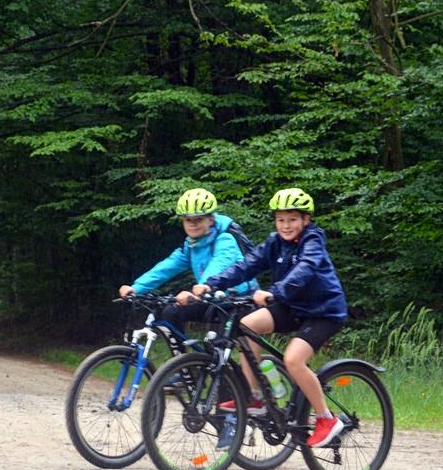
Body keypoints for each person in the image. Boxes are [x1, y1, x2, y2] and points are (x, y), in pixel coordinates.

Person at [196, 187, 348, 448]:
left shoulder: (313, 241)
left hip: (323, 311)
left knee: (293, 359)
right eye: (280, 219)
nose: (286, 225)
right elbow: (246, 266)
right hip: (292, 306)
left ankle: (326, 418)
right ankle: (256, 397)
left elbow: (304, 270)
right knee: (246, 326)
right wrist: (211, 283)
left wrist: (275, 292)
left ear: (306, 220)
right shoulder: (274, 242)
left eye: (292, 219)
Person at [119, 187, 258, 333]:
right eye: (188, 219)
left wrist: (203, 287)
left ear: (211, 219)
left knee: (219, 343)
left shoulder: (225, 239)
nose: (192, 224)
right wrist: (137, 288)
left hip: (239, 300)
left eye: (198, 219)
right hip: (211, 299)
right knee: (171, 311)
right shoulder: (191, 245)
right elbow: (167, 267)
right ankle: (180, 349)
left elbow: (219, 264)